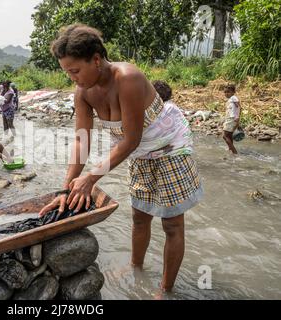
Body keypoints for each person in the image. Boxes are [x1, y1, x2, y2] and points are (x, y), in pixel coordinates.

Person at [38, 24, 203, 294]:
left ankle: (165, 289)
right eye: (67, 72)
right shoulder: (83, 93)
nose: (72, 79)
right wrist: (66, 188)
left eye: (76, 71)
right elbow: (82, 140)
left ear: (96, 59)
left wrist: (91, 177)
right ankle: (136, 267)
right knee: (140, 217)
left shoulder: (128, 78)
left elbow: (131, 139)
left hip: (170, 148)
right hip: (138, 155)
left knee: (171, 224)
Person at [222, 84, 241, 154]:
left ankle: (234, 152)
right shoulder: (231, 99)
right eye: (225, 92)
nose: (226, 94)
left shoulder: (233, 98)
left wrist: (237, 117)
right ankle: (230, 149)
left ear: (233, 92)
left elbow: (239, 107)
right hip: (230, 118)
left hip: (232, 119)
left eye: (228, 92)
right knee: (229, 135)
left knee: (225, 136)